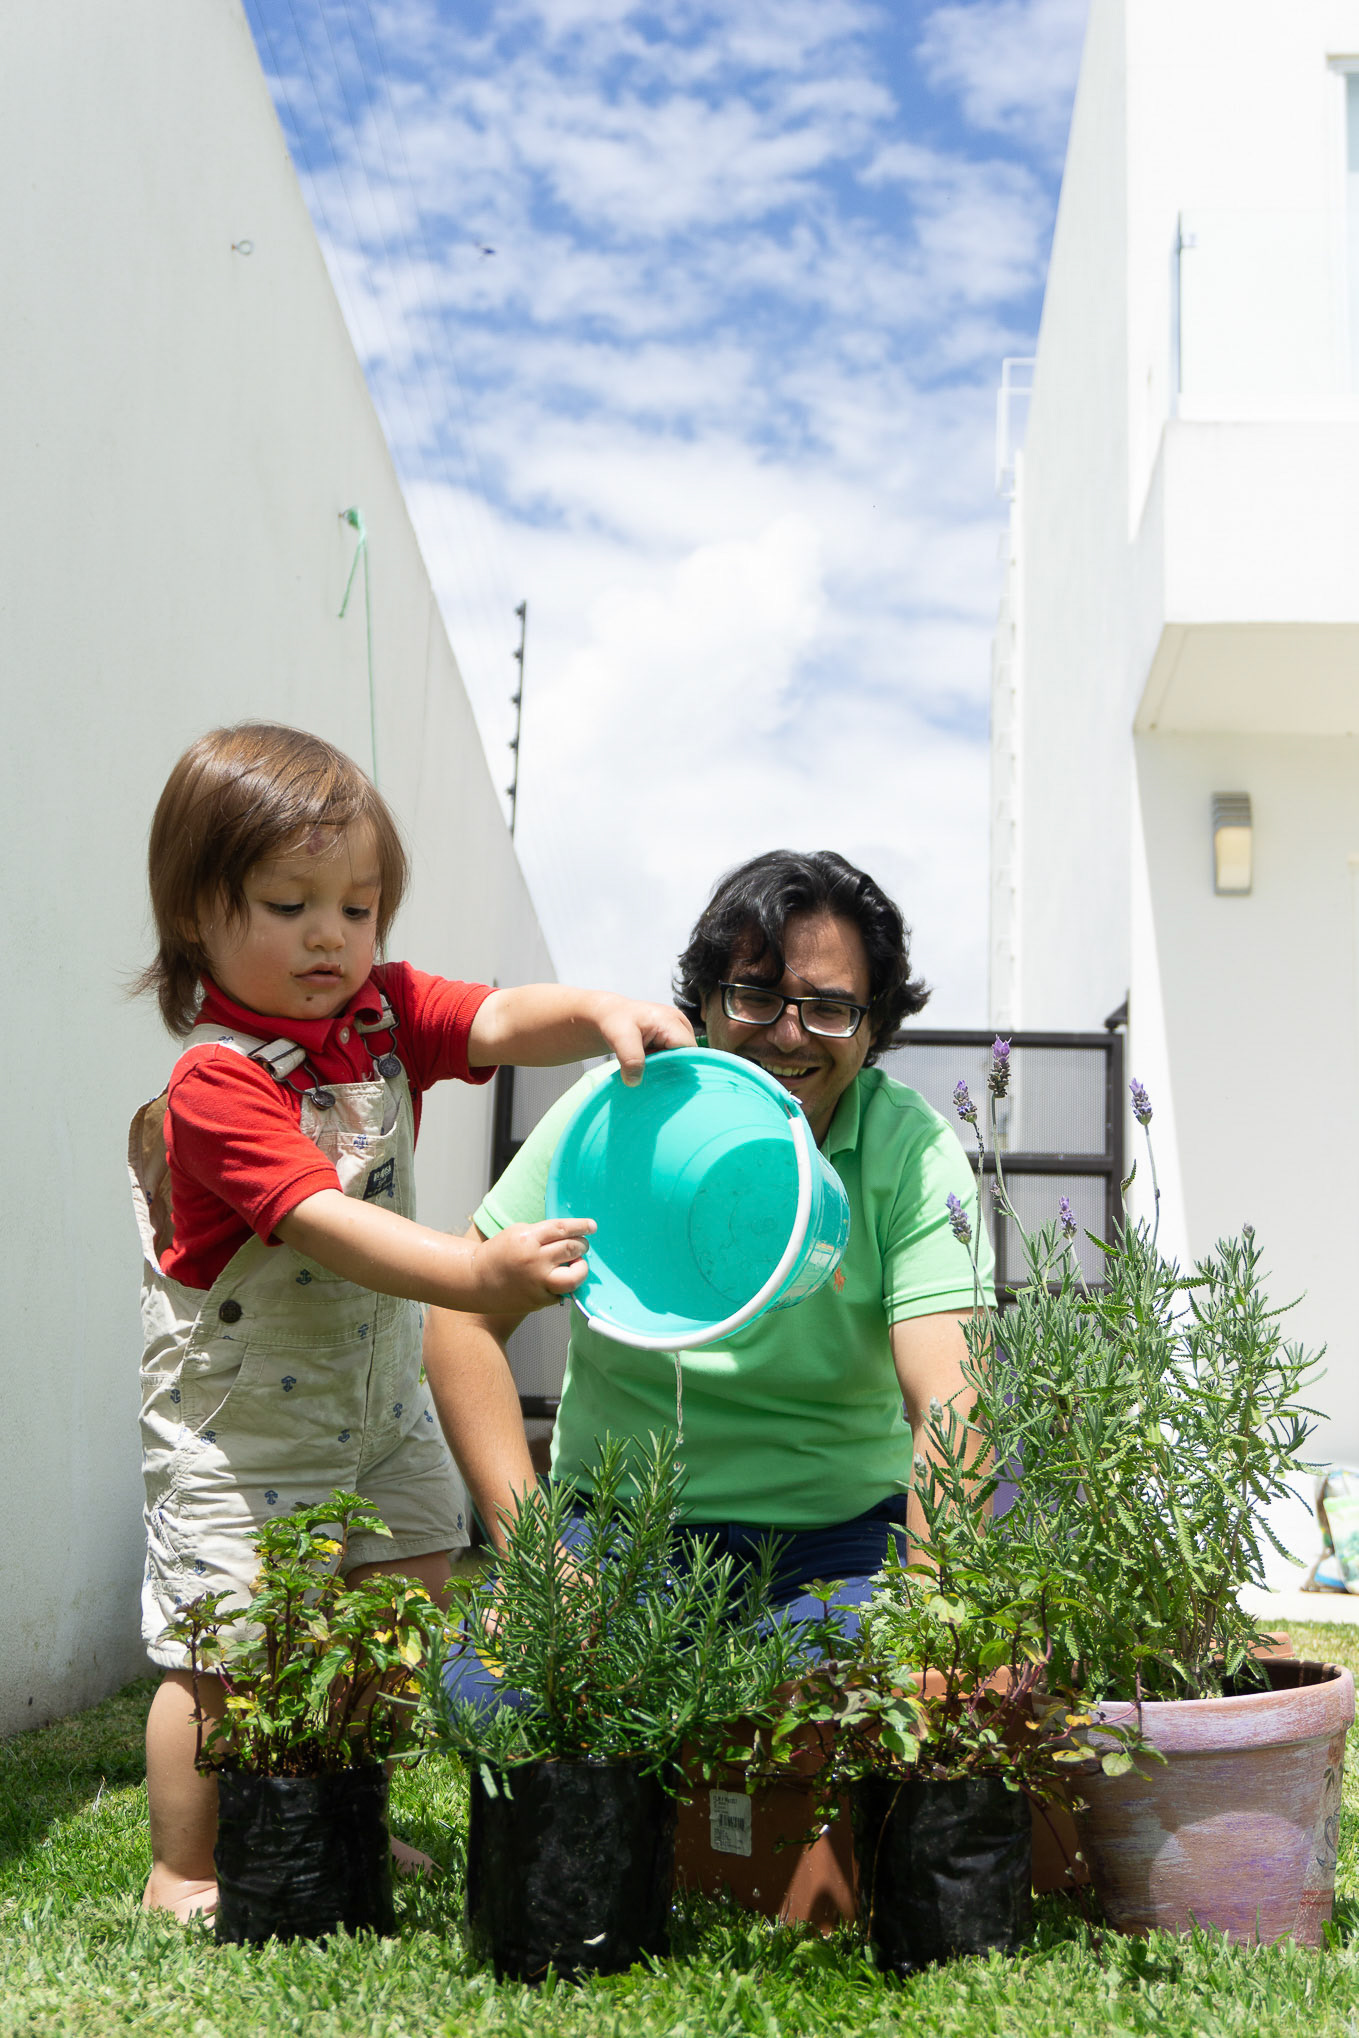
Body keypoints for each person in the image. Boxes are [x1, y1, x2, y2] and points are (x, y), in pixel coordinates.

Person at [128, 722, 694, 1918]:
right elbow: (323, 1219)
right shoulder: (217, 1083)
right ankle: (185, 1863)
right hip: (240, 1424)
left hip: (373, 1402)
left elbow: (493, 1019)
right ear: (195, 912)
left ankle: (349, 1818)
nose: (331, 934)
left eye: (359, 905)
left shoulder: (384, 1013)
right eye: (289, 903)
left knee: (404, 1590)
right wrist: (473, 1275)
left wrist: (596, 1009)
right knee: (220, 1649)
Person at [423, 848, 994, 1683]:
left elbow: (950, 1401)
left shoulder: (910, 1153)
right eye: (757, 996)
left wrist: (932, 1605)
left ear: (874, 1029)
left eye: (831, 1009)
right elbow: (460, 1317)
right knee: (496, 1692)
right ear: (705, 1002)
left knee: (830, 1702)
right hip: (617, 1520)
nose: (789, 1033)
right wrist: (535, 1555)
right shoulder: (614, 1111)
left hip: (835, 1542)